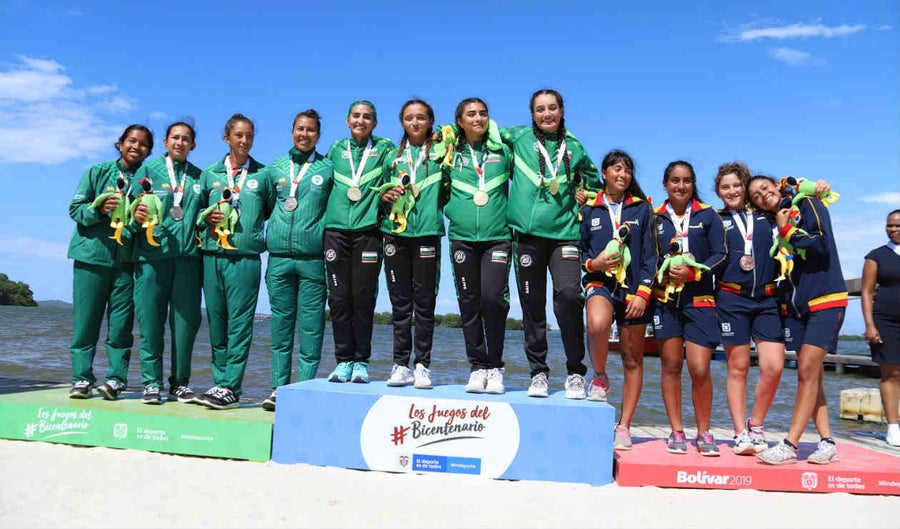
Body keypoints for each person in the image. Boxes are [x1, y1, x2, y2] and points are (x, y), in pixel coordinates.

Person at [501, 88, 601, 399]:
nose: (547, 114)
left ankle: (575, 372)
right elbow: (480, 127)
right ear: (532, 114)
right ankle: (538, 372)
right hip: (527, 236)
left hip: (564, 234)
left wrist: (584, 193)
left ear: (561, 110)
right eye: (540, 109)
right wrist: (443, 133)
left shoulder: (574, 146)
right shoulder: (517, 137)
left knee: (570, 297)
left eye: (552, 108)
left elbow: (595, 184)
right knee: (532, 305)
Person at [749, 174, 846, 465]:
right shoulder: (771, 224)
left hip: (826, 300)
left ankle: (790, 444)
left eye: (765, 188)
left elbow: (821, 245)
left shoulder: (807, 204)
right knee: (812, 376)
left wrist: (788, 230)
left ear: (776, 185)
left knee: (806, 371)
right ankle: (827, 443)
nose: (762, 195)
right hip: (795, 309)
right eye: (755, 196)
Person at [67, 124, 153, 400]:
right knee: (86, 324)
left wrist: (138, 222)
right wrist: (98, 209)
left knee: (121, 327)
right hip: (90, 259)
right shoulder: (97, 171)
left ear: (148, 151)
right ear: (120, 144)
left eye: (143, 144)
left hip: (126, 262)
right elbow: (75, 210)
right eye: (132, 141)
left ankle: (115, 380)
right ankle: (81, 379)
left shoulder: (146, 182)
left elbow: (142, 224)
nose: (136, 146)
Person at [580, 149, 656, 450]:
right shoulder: (588, 208)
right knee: (597, 325)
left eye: (627, 170)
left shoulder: (641, 208)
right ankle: (599, 376)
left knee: (632, 359)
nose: (622, 175)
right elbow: (577, 249)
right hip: (600, 282)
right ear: (604, 173)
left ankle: (624, 426)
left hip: (634, 290)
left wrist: (643, 292)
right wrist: (593, 264)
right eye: (616, 169)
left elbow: (651, 253)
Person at [196, 113, 273, 409]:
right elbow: (198, 213)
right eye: (239, 135)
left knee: (240, 325)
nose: (244, 140)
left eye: (249, 135)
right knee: (217, 323)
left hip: (245, 258)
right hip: (213, 255)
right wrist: (207, 219)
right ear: (226, 138)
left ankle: (231, 386)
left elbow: (267, 209)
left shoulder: (263, 175)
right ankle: (219, 382)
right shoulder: (209, 174)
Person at [652, 161, 727, 456]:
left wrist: (694, 273)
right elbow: (646, 256)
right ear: (665, 184)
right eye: (674, 180)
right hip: (666, 301)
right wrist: (660, 273)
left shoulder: (708, 215)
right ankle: (676, 431)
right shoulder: (655, 217)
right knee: (671, 366)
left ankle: (704, 432)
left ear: (693, 184)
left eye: (686, 181)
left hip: (700, 300)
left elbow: (721, 255)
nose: (680, 186)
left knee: (699, 368)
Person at [262, 110, 334, 411]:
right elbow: (266, 205)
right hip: (279, 259)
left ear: (318, 135)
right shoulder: (276, 167)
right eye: (300, 129)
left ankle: (303, 390)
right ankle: (278, 389)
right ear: (292, 131)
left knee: (311, 329)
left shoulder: (328, 168)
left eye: (311, 130)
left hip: (313, 259)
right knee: (280, 329)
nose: (304, 134)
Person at [443, 97, 514, 394]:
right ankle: (477, 366)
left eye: (483, 113)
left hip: (497, 236)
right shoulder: (448, 154)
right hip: (462, 238)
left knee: (493, 299)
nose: (478, 118)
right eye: (471, 114)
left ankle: (495, 366)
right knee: (468, 301)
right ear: (460, 121)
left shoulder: (503, 151)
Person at [712, 162, 785, 453]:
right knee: (738, 368)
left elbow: (790, 197)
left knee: (774, 367)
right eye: (725, 187)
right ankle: (740, 433)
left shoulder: (768, 215)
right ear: (718, 192)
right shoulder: (716, 219)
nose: (731, 191)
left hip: (767, 299)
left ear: (745, 186)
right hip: (731, 299)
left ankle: (756, 424)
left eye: (736, 185)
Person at [131, 121, 203, 404]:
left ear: (192, 145)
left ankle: (180, 384)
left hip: (187, 261)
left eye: (185, 139)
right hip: (152, 258)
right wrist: (135, 219)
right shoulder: (147, 171)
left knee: (185, 326)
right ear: (165, 142)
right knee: (151, 323)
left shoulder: (199, 176)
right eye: (175, 137)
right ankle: (151, 383)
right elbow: (129, 209)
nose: (179, 143)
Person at [324, 100, 395, 384]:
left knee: (363, 299)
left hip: (368, 233)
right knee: (339, 299)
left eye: (367, 117)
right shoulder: (335, 149)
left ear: (374, 123)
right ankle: (343, 361)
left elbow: (397, 174)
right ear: (347, 120)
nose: (360, 121)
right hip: (335, 232)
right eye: (356, 116)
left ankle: (361, 362)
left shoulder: (385, 148)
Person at [381, 99, 444, 389]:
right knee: (400, 304)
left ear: (430, 121)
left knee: (425, 304)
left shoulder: (442, 153)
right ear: (402, 122)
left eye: (421, 117)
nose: (415, 123)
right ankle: (400, 365)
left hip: (428, 232)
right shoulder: (391, 156)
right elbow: (380, 191)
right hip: (395, 234)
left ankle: (422, 366)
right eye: (409, 118)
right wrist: (384, 196)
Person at [861, 209, 900, 447]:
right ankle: (893, 428)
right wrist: (869, 325)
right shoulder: (876, 256)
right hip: (886, 322)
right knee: (891, 374)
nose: (893, 229)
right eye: (890, 225)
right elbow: (866, 292)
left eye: (898, 226)